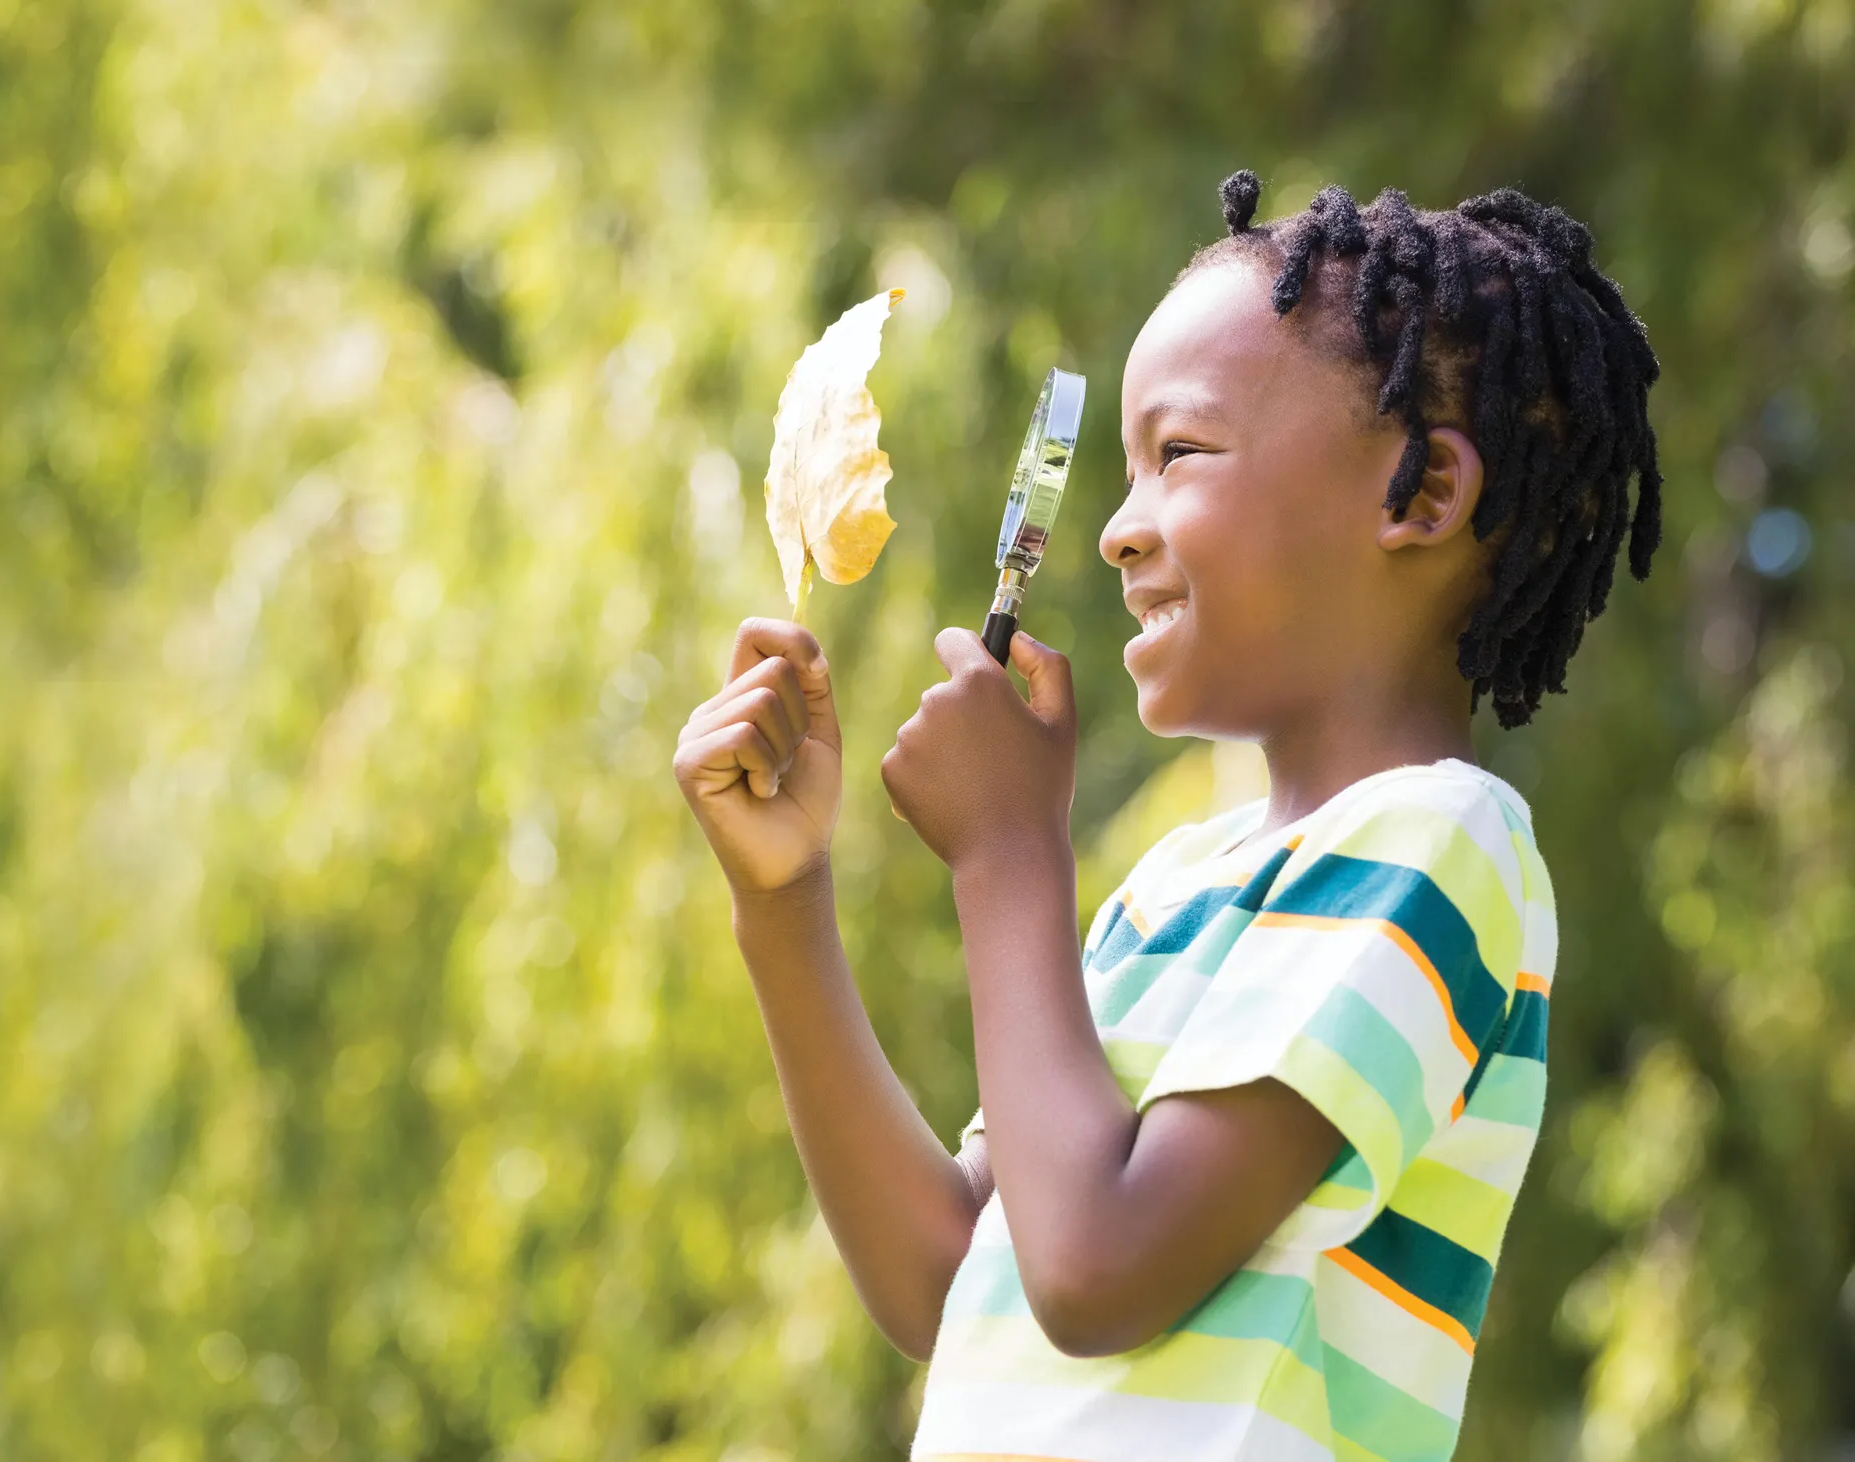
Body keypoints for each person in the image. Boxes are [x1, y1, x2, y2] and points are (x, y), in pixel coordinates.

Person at [671, 172, 1663, 1462]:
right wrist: (782, 898)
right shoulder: (1179, 883)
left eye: (1179, 454)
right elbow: (950, 1271)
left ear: (1418, 497)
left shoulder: (1440, 844)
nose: (1115, 534)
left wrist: (1009, 854)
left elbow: (1095, 1269)